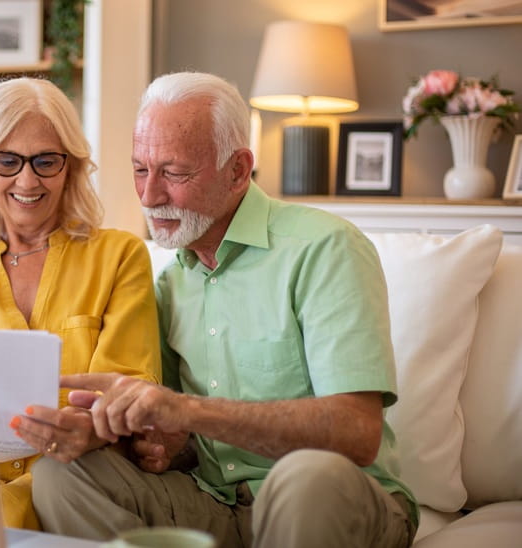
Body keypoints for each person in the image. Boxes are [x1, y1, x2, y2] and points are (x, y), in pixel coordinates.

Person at [31, 72, 418, 548]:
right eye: (139, 169)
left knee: (305, 477)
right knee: (61, 475)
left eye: (174, 173)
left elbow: (357, 434)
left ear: (238, 170)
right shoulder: (171, 281)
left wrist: (188, 410)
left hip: (333, 502)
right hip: (218, 503)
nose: (150, 196)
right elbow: (184, 439)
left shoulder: (324, 248)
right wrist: (163, 443)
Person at [0, 77, 161, 530]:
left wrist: (92, 424)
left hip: (74, 484)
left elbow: (132, 389)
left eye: (46, 161)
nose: (27, 180)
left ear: (69, 167)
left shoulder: (120, 257)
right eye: (8, 161)